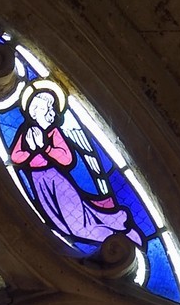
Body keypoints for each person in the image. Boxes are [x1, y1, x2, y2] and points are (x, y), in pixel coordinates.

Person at [8, 80, 145, 255]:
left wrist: (45, 147)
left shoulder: (54, 132)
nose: (49, 112)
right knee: (57, 221)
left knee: (77, 221)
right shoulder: (27, 132)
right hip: (38, 181)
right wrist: (32, 151)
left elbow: (66, 158)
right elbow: (16, 156)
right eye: (44, 108)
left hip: (57, 180)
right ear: (33, 112)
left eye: (51, 108)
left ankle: (116, 235)